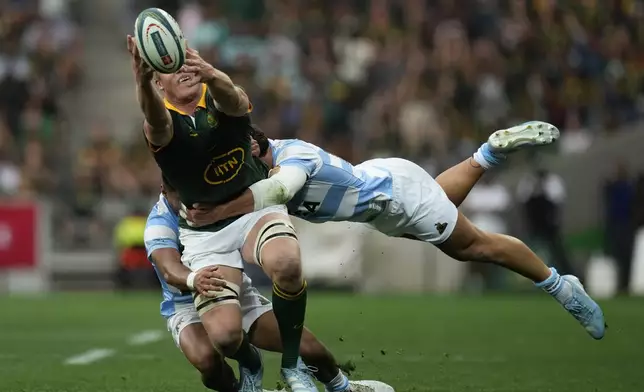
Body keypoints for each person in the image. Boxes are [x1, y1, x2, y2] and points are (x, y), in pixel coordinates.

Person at [184, 122, 607, 340]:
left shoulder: (292, 159)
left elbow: (279, 190)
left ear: (259, 147)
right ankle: (486, 154)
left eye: (247, 159)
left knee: (474, 246)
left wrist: (218, 208)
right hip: (387, 187)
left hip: (394, 196)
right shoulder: (270, 157)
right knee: (439, 207)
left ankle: (559, 286)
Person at [126, 35, 315, 392]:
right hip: (206, 231)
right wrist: (139, 80)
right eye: (171, 66)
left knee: (287, 265)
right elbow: (155, 118)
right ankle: (250, 363)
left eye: (188, 60)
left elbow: (237, 101)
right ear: (158, 80)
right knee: (223, 342)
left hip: (251, 207)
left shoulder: (217, 92)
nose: (183, 69)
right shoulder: (162, 123)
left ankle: (300, 370)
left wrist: (212, 74)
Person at [145, 178, 393, 392]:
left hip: (232, 292)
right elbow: (169, 269)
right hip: (185, 304)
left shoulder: (208, 202)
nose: (189, 201)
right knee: (207, 361)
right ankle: (248, 372)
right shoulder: (159, 222)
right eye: (181, 195)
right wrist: (192, 279)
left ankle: (342, 386)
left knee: (308, 347)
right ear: (164, 190)